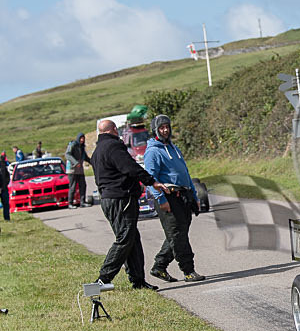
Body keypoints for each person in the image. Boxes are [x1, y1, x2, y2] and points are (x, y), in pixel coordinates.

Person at [92, 119, 169, 290]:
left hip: (109, 198)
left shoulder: (97, 150)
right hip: (121, 198)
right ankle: (103, 279)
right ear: (113, 130)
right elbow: (130, 167)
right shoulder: (113, 147)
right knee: (125, 238)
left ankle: (138, 281)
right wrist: (151, 181)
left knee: (132, 239)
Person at [143, 114, 205, 283]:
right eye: (161, 128)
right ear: (155, 130)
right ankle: (188, 271)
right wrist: (161, 199)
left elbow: (186, 173)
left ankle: (159, 266)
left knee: (178, 234)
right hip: (168, 197)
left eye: (167, 127)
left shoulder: (174, 148)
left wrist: (194, 195)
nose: (165, 130)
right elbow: (150, 179)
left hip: (183, 196)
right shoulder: (153, 152)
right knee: (177, 235)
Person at [66, 132, 91, 208]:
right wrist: (75, 162)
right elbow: (67, 154)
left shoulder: (82, 147)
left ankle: (82, 202)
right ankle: (70, 203)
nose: (82, 140)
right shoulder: (73, 145)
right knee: (72, 187)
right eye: (81, 138)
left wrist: (93, 162)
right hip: (72, 169)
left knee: (83, 185)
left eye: (83, 138)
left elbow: (86, 158)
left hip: (80, 170)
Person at [0, 152, 9, 221]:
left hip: (4, 188)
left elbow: (7, 176)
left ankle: (7, 218)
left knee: (6, 204)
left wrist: (5, 185)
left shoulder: (3, 166)